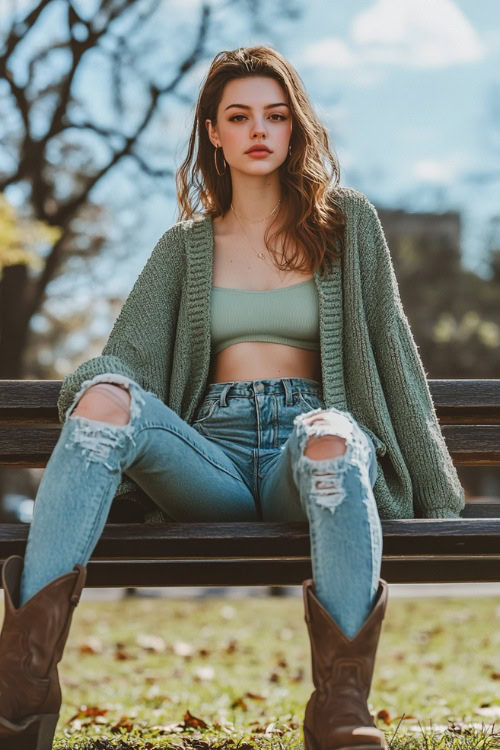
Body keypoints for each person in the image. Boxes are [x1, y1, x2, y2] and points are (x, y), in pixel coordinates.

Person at [0, 45, 465, 750]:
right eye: (239, 116)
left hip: (305, 450)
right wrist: (91, 384)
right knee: (104, 400)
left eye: (275, 116)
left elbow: (393, 349)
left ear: (294, 128)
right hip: (209, 460)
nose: (259, 130)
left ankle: (339, 708)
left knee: (333, 439)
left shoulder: (349, 225)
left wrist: (435, 489)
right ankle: (22, 687)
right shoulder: (183, 247)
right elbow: (128, 356)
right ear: (212, 132)